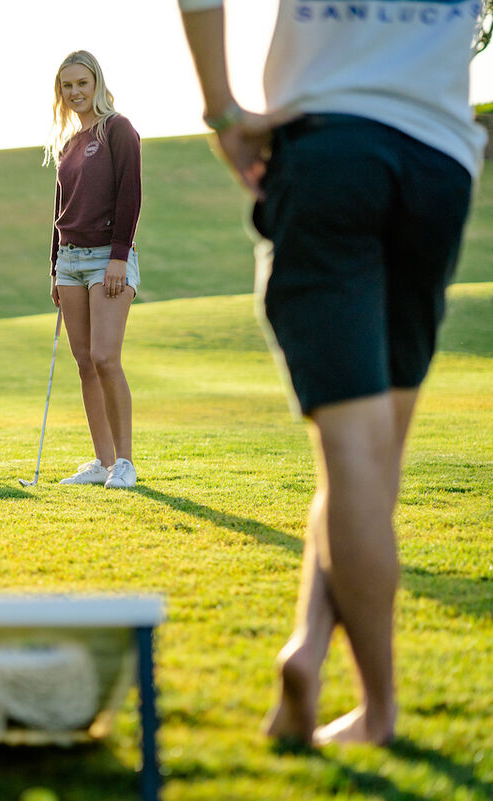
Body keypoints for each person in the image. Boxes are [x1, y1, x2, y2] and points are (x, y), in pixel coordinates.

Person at [177, 0, 485, 745]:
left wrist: (221, 108)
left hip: (331, 152)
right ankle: (307, 651)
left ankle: (376, 712)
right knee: (372, 462)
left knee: (352, 454)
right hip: (439, 164)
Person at [45, 50, 143, 490]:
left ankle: (125, 462)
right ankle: (102, 462)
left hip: (108, 258)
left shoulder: (118, 129)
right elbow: (59, 210)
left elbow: (130, 194)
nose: (75, 92)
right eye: (67, 86)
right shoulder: (67, 144)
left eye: (82, 83)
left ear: (97, 83)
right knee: (84, 362)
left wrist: (119, 256)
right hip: (70, 262)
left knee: (106, 358)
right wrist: (54, 268)